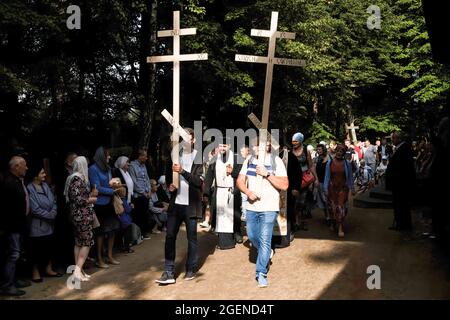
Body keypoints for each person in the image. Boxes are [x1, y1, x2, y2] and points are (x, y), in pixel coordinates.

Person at [236, 136, 288, 288]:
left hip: (269, 207)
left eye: (260, 145)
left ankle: (261, 273)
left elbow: (285, 185)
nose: (257, 148)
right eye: (255, 146)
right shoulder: (249, 160)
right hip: (252, 207)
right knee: (252, 236)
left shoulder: (276, 161)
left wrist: (267, 174)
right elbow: (239, 180)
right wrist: (247, 192)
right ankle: (267, 251)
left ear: (268, 146)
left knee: (265, 239)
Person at [155, 128, 203, 285]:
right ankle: (168, 271)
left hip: (192, 205)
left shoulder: (198, 157)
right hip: (175, 205)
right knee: (170, 237)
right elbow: (169, 179)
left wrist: (183, 171)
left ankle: (191, 268)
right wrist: (170, 186)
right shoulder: (174, 156)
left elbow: (199, 182)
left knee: (192, 239)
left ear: (193, 140)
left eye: (187, 138)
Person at [204, 138, 243, 249]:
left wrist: (233, 172)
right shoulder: (215, 159)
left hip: (233, 190)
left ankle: (236, 232)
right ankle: (223, 240)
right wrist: (206, 192)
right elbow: (209, 176)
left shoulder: (236, 157)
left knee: (234, 214)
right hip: (220, 191)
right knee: (221, 216)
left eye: (224, 146)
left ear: (229, 146)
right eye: (220, 146)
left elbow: (242, 174)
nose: (222, 148)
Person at [0, 156, 31, 296]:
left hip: (20, 225)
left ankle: (15, 279)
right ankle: (7, 285)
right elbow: (7, 209)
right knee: (13, 254)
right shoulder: (8, 182)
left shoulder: (17, 180)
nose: (26, 168)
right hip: (12, 226)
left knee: (18, 254)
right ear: (16, 167)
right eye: (24, 165)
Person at [64, 156, 98, 282]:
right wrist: (91, 199)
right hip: (82, 216)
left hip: (77, 215)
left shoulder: (73, 178)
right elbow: (78, 199)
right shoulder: (77, 179)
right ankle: (77, 270)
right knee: (86, 242)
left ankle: (80, 270)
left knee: (79, 242)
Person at [26, 163, 61, 282]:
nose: (44, 174)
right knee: (37, 250)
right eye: (42, 173)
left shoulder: (45, 186)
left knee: (49, 247)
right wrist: (50, 215)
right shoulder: (30, 188)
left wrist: (54, 211)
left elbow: (54, 201)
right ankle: (35, 272)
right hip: (37, 226)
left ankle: (48, 269)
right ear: (35, 176)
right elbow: (34, 209)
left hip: (49, 225)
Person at [88, 147, 121, 268]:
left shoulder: (108, 168)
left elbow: (109, 183)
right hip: (100, 205)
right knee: (101, 233)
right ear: (102, 156)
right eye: (107, 155)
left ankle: (110, 256)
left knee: (113, 230)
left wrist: (115, 185)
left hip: (110, 203)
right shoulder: (93, 169)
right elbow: (96, 187)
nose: (109, 157)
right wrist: (112, 190)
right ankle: (99, 259)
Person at [386, 131, 416, 231]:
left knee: (402, 205)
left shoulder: (404, 149)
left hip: (401, 184)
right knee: (399, 204)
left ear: (398, 139)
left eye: (393, 138)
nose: (392, 140)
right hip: (398, 183)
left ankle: (403, 225)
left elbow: (404, 168)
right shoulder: (400, 148)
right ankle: (400, 224)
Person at [324, 144, 355, 237]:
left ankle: (340, 227)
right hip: (332, 188)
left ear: (344, 153)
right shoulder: (330, 163)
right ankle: (334, 223)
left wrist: (352, 188)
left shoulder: (347, 164)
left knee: (341, 208)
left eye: (341, 152)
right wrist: (325, 188)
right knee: (332, 207)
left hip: (343, 188)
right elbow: (327, 176)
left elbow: (350, 177)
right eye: (337, 151)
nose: (339, 153)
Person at [291, 132, 318, 230]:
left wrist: (316, 179)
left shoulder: (306, 150)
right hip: (293, 180)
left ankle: (301, 221)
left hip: (304, 180)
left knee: (302, 201)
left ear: (301, 141)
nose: (294, 143)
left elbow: (311, 165)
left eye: (296, 141)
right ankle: (296, 221)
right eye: (293, 141)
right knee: (294, 201)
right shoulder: (290, 151)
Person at [113, 156, 138, 253]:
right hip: (121, 200)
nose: (129, 164)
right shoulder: (117, 172)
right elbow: (119, 187)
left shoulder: (127, 172)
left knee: (127, 223)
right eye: (127, 162)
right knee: (124, 224)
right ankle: (123, 245)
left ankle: (125, 244)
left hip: (128, 200)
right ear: (122, 163)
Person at [129, 149, 152, 239]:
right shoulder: (132, 166)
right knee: (138, 215)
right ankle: (138, 235)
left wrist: (149, 190)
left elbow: (147, 178)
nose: (146, 158)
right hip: (138, 195)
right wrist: (143, 192)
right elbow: (134, 182)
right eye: (145, 156)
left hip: (146, 194)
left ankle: (144, 232)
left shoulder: (143, 166)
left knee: (145, 214)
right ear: (140, 156)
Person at [314, 144, 330, 225]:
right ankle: (327, 217)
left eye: (320, 149)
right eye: (317, 149)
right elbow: (315, 170)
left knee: (327, 200)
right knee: (323, 201)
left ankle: (331, 217)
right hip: (320, 182)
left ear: (323, 150)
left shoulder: (329, 159)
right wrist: (316, 180)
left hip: (327, 183)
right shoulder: (318, 159)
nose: (318, 151)